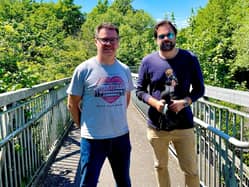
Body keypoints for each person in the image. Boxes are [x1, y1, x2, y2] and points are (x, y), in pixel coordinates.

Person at [136, 20, 205, 187]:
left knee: (191, 170)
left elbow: (199, 89)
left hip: (184, 125)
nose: (166, 38)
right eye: (162, 36)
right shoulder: (148, 61)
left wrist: (185, 102)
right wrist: (154, 102)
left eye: (170, 34)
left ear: (175, 36)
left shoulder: (189, 58)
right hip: (157, 126)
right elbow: (139, 91)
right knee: (160, 167)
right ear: (156, 40)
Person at [67, 22, 134, 187]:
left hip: (121, 137)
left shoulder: (124, 70)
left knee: (124, 182)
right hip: (93, 139)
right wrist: (83, 126)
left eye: (113, 40)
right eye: (104, 40)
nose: (109, 44)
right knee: (88, 183)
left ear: (118, 42)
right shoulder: (84, 69)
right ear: (96, 41)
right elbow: (72, 103)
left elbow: (125, 98)